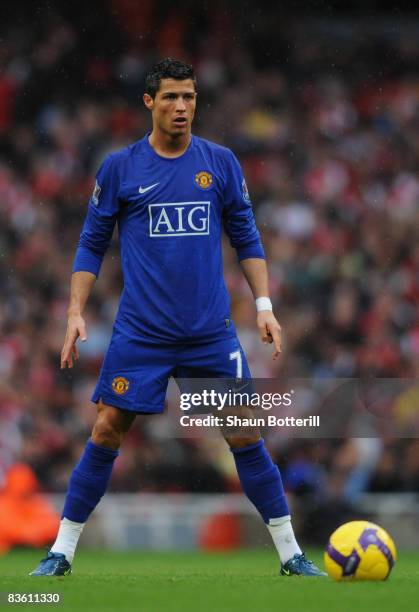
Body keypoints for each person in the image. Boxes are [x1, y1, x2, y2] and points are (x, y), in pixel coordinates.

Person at [30, 58, 325, 577]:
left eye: (188, 97)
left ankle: (290, 555)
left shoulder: (221, 162)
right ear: (149, 102)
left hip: (210, 332)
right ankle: (61, 552)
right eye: (170, 97)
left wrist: (264, 307)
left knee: (245, 434)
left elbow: (247, 238)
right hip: (141, 333)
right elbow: (90, 244)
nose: (182, 107)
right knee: (105, 431)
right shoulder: (120, 168)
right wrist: (75, 312)